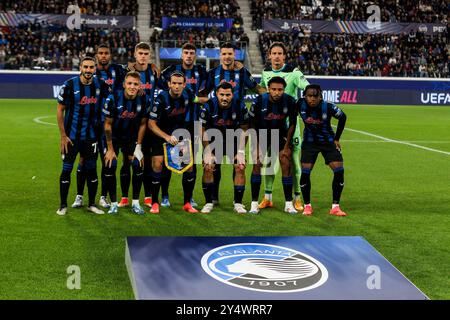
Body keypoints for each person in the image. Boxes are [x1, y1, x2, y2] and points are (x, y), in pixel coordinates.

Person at [200, 42, 264, 204]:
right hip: (215, 125)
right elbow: (202, 94)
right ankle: (213, 198)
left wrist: (274, 94)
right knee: (216, 163)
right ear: (220, 55)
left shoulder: (243, 72)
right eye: (224, 54)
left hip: (237, 125)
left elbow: (257, 89)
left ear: (235, 55)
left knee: (238, 163)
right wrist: (207, 102)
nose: (227, 57)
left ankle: (238, 201)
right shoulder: (213, 73)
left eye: (230, 53)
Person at [71, 43, 126, 210]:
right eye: (100, 53)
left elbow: (133, 72)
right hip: (89, 128)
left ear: (110, 55)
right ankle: (79, 195)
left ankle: (103, 196)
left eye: (106, 53)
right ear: (96, 56)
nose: (103, 56)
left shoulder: (118, 70)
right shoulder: (90, 75)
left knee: (107, 161)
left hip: (109, 125)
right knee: (84, 160)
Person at [258, 42, 310, 212]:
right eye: (274, 53)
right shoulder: (265, 73)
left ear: (284, 56)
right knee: (269, 162)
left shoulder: (294, 72)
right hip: (271, 126)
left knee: (294, 163)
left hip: (290, 126)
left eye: (280, 53)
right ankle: (268, 197)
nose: (277, 56)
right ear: (269, 55)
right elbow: (261, 91)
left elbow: (307, 87)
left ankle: (297, 198)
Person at [56, 56, 111, 215]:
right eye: (85, 67)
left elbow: (112, 99)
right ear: (80, 67)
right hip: (71, 138)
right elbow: (60, 110)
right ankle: (63, 205)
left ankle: (92, 204)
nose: (88, 70)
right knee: (66, 170)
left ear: (95, 69)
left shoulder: (101, 84)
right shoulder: (69, 85)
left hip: (91, 137)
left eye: (91, 67)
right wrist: (63, 136)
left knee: (92, 170)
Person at [159, 43, 208, 208]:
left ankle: (190, 197)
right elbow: (158, 81)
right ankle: (164, 196)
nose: (188, 55)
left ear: (195, 55)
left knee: (190, 163)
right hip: (171, 124)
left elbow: (210, 87)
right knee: (168, 161)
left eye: (191, 53)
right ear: (181, 54)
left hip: (193, 124)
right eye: (186, 52)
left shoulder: (201, 71)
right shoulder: (171, 70)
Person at [147, 71, 200, 214]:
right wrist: (166, 136)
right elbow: (151, 124)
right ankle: (155, 203)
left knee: (189, 167)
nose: (176, 86)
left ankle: (187, 203)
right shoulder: (160, 99)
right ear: (169, 84)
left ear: (184, 84)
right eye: (174, 83)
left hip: (180, 135)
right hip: (161, 135)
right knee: (158, 164)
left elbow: (199, 100)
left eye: (179, 83)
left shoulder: (188, 94)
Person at [248, 77, 298, 214]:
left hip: (280, 133)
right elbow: (251, 124)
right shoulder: (259, 101)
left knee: (285, 162)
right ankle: (254, 204)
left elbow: (292, 124)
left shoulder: (290, 101)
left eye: (280, 90)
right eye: (274, 89)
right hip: (261, 134)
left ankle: (288, 204)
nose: (277, 92)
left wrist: (287, 146)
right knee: (257, 163)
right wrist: (256, 146)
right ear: (269, 89)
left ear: (284, 90)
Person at [199, 82, 250, 214]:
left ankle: (238, 203)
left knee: (240, 165)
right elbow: (202, 129)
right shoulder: (209, 105)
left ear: (232, 94)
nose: (225, 98)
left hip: (233, 140)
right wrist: (208, 151)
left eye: (228, 95)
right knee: (209, 165)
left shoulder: (239, 105)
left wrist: (240, 152)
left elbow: (245, 129)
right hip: (213, 141)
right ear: (216, 94)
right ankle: (209, 202)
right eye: (221, 94)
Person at [102, 71, 149, 215]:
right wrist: (110, 149)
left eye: (135, 84)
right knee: (111, 164)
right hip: (114, 138)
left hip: (131, 137)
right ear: (124, 85)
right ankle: (114, 203)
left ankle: (135, 202)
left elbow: (143, 124)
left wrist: (139, 146)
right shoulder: (113, 98)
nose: (132, 86)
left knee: (137, 163)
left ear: (140, 86)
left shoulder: (144, 99)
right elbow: (107, 125)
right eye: (129, 83)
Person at [298, 84, 347, 217]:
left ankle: (335, 206)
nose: (312, 99)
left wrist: (337, 138)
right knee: (305, 173)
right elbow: (290, 118)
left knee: (339, 171)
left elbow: (343, 117)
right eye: (309, 96)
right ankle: (307, 206)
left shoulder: (328, 107)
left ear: (321, 97)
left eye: (315, 96)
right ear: (304, 96)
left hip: (328, 142)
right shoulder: (299, 104)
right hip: (309, 143)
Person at [124, 42, 161, 209]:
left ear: (150, 55)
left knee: (146, 160)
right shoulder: (127, 72)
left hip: (149, 123)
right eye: (140, 53)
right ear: (135, 54)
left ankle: (147, 196)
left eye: (146, 53)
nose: (143, 56)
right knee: (128, 161)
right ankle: (126, 196)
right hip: (130, 122)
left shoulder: (155, 73)